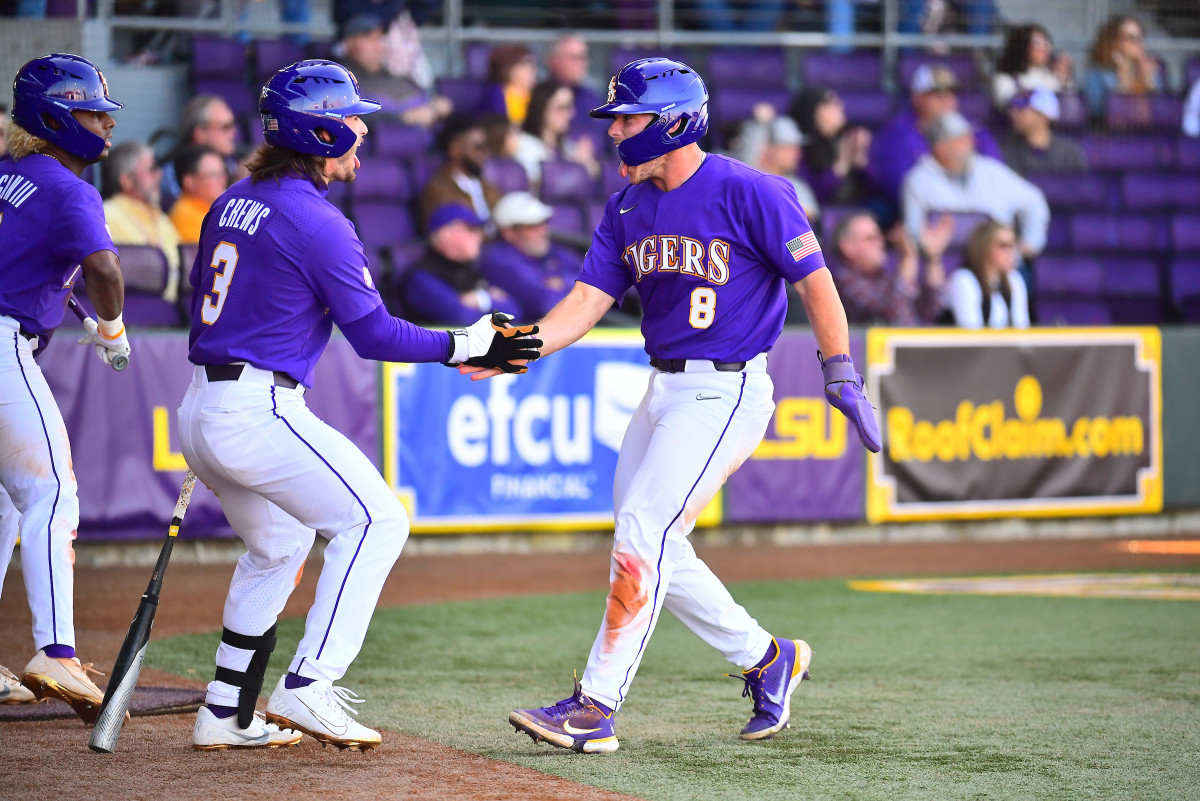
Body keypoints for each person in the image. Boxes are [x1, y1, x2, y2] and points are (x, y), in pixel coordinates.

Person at [481, 57, 880, 754]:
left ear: (671, 121)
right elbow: (583, 304)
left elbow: (815, 281)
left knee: (643, 527)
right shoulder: (626, 206)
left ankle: (594, 707)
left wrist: (839, 366)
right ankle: (768, 658)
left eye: (628, 119)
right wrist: (517, 349)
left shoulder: (752, 189)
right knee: (652, 538)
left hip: (725, 388)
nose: (616, 134)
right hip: (662, 386)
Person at [178, 59, 538, 752]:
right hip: (256, 407)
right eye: (349, 121)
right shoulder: (319, 222)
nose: (361, 134)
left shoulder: (232, 199)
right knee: (378, 519)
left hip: (206, 400)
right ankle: (310, 684)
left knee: (279, 544)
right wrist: (467, 342)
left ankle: (224, 709)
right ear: (316, 133)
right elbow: (372, 336)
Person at [0, 53, 130, 720]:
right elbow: (104, 269)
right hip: (3, 345)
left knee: (4, 503)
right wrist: (112, 328)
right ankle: (55, 649)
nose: (106, 122)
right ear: (54, 116)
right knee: (51, 489)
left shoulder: (6, 175)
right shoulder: (67, 187)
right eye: (91, 110)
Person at [902, 111, 1049, 263]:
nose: (970, 142)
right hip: (946, 267)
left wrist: (1029, 244)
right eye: (960, 139)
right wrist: (929, 246)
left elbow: (1034, 200)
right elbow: (912, 232)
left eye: (968, 136)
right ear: (940, 147)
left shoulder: (991, 170)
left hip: (999, 265)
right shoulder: (918, 180)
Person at [867, 64, 1002, 206]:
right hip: (916, 206)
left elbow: (995, 173)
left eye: (951, 93)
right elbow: (897, 185)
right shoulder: (897, 133)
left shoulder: (975, 130)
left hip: (972, 205)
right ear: (917, 98)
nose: (947, 101)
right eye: (938, 95)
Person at [831, 211, 952, 325]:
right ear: (847, 247)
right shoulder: (844, 282)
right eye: (870, 238)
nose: (880, 243)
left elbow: (933, 310)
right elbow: (893, 316)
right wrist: (908, 257)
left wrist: (933, 257)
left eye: (880, 237)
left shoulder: (885, 277)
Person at [401, 202, 510, 324]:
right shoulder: (421, 278)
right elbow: (465, 319)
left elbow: (514, 312)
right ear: (445, 234)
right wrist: (491, 299)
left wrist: (481, 300)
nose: (480, 235)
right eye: (472, 229)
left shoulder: (468, 270)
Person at [338, 12, 451, 129]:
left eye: (379, 37)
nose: (377, 44)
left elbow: (427, 99)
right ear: (348, 43)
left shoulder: (395, 76)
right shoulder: (341, 79)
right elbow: (352, 114)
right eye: (368, 38)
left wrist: (434, 105)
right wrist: (404, 117)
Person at [102, 141, 183, 301]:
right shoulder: (108, 215)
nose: (159, 175)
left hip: (170, 313)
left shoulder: (160, 216)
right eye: (151, 170)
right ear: (126, 180)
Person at [483, 191, 582, 319]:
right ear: (509, 233)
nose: (543, 232)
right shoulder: (498, 260)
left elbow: (595, 278)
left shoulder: (551, 252)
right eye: (533, 227)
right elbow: (546, 304)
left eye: (543, 223)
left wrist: (563, 283)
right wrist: (579, 288)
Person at [789, 87, 872, 206]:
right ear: (812, 110)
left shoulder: (849, 137)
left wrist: (861, 161)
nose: (840, 106)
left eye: (838, 102)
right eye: (831, 103)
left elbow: (876, 192)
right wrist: (841, 166)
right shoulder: (799, 146)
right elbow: (810, 197)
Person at [734, 111, 820, 224]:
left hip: (790, 241)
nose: (797, 154)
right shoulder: (752, 179)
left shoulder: (799, 186)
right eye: (788, 148)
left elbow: (808, 226)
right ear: (769, 148)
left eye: (797, 148)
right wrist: (759, 125)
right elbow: (743, 162)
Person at [418, 114, 501, 229]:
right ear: (455, 150)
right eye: (478, 147)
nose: (485, 153)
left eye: (486, 147)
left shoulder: (487, 186)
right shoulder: (438, 190)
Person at [943, 220, 1029, 329]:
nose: (1010, 253)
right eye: (1003, 246)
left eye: (1012, 246)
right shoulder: (964, 279)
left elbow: (1022, 328)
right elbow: (971, 334)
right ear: (984, 247)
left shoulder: (1014, 280)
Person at [512, 80, 600, 187]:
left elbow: (594, 174)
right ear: (542, 110)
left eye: (570, 107)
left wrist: (586, 162)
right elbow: (536, 183)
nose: (571, 114)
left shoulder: (567, 146)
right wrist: (576, 168)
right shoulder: (524, 144)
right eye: (562, 107)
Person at [160, 95, 238, 206]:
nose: (233, 133)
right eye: (226, 127)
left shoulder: (232, 166)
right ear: (200, 133)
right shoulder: (170, 174)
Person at [1083, 16, 1162, 118]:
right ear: (1115, 42)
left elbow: (1160, 112)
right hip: (1110, 132)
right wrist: (1121, 82)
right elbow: (1096, 109)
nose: (1139, 43)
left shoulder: (1148, 69)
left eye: (1140, 37)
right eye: (1132, 38)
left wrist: (1148, 81)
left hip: (1145, 131)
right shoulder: (1096, 73)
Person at [1000, 88, 1087, 176]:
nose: (1013, 115)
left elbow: (1080, 186)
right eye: (1013, 110)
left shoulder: (1069, 152)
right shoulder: (1006, 150)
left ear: (1042, 116)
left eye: (1021, 110)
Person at [992, 23, 1075, 110]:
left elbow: (1069, 109)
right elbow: (1007, 106)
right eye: (1037, 43)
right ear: (1021, 45)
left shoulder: (1052, 77)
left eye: (1047, 42)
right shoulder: (1005, 79)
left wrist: (1065, 79)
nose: (1045, 48)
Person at [169, 145, 229, 244]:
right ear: (189, 181)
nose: (222, 180)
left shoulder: (216, 209)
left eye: (223, 173)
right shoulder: (184, 214)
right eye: (213, 175)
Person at [480, 45, 538, 125]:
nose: (533, 70)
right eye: (524, 65)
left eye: (532, 65)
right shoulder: (494, 98)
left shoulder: (537, 95)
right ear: (508, 69)